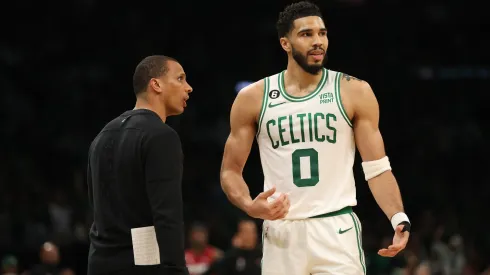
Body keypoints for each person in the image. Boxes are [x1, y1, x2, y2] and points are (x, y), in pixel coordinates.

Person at [219, 2, 411, 274]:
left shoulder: (353, 91)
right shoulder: (253, 98)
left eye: (322, 33)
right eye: (307, 34)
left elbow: (377, 167)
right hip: (281, 230)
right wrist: (250, 205)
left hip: (336, 227)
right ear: (285, 43)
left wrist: (398, 217)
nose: (318, 41)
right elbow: (230, 171)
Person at [87, 55, 193, 275]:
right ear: (156, 84)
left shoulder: (101, 135)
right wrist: (176, 268)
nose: (188, 88)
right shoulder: (162, 136)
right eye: (180, 78)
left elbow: (95, 207)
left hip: (99, 263)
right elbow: (167, 213)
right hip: (143, 265)